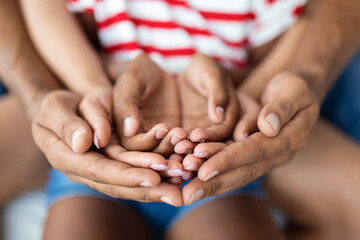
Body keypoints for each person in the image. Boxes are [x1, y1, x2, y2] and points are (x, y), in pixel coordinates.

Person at [0, 0, 359, 239]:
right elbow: (42, 9)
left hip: (216, 157)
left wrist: (248, 94)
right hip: (101, 145)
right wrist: (92, 85)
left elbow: (300, 30)